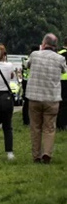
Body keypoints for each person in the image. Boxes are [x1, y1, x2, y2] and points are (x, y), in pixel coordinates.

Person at [26, 34, 67, 164]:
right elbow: (64, 70)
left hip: (35, 97)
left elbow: (27, 65)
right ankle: (47, 153)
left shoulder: (34, 55)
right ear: (55, 45)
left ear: (43, 43)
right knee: (49, 128)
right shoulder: (60, 58)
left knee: (35, 127)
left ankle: (36, 155)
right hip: (52, 98)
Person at [21, 45, 39, 125]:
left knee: (26, 101)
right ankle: (31, 119)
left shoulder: (25, 59)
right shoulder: (35, 60)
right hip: (32, 81)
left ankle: (26, 120)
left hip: (25, 81)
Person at [57, 38, 67, 130]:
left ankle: (59, 123)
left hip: (59, 80)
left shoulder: (58, 54)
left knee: (60, 102)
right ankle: (63, 123)